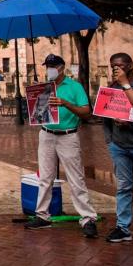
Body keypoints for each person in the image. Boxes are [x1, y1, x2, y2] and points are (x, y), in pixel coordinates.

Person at [22, 54, 98, 237]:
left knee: (76, 177)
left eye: (53, 66)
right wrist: (34, 98)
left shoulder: (74, 87)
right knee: (45, 177)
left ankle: (87, 218)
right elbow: (38, 113)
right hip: (46, 134)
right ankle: (42, 215)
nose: (49, 69)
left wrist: (65, 104)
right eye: (47, 66)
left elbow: (86, 113)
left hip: (68, 136)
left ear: (61, 68)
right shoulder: (45, 87)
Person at [102, 53, 133, 243]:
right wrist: (110, 141)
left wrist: (130, 123)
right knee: (123, 187)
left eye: (120, 65)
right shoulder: (110, 89)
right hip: (119, 146)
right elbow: (104, 118)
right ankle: (122, 228)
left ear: (130, 66)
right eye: (112, 66)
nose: (116, 69)